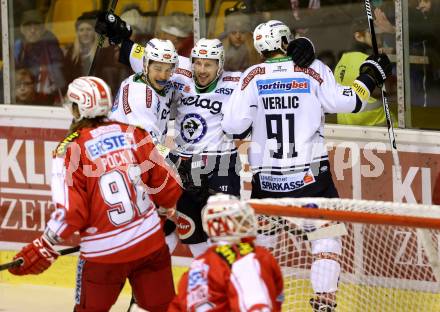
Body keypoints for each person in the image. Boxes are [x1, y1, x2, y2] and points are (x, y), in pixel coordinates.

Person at [95, 13, 317, 258]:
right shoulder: (174, 71)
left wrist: (304, 46)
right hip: (182, 163)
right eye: (197, 63)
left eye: (209, 64)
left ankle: (232, 283)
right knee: (190, 234)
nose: (201, 69)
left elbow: (276, 71)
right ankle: (207, 284)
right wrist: (118, 33)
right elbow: (140, 55)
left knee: (227, 235)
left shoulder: (239, 81)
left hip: (221, 164)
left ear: (220, 65)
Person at [221, 20, 392, 311]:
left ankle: (258, 302)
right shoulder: (312, 69)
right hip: (312, 179)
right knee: (326, 241)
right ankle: (324, 303)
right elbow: (350, 102)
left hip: (267, 183)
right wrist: (371, 75)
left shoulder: (251, 75)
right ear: (287, 41)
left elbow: (232, 124)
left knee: (264, 249)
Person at [8, 76, 182, 312]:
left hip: (104, 256)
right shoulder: (134, 133)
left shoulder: (69, 150)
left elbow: (72, 213)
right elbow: (167, 187)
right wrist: (161, 212)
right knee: (162, 309)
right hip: (150, 245)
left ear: (78, 109)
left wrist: (45, 244)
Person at [168, 194, 284, 311]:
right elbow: (257, 307)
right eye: (240, 218)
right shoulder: (247, 259)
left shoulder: (197, 264)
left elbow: (177, 306)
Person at [334, 17, 394, 126]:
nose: (379, 36)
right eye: (374, 33)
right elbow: (393, 90)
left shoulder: (342, 61)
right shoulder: (370, 62)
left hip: (346, 126)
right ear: (358, 36)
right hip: (376, 125)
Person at [14, 9, 65, 104]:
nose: (33, 30)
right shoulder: (18, 45)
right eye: (28, 26)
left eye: (36, 26)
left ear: (43, 30)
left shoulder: (50, 45)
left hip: (45, 98)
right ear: (22, 29)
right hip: (22, 96)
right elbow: (6, 73)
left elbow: (58, 75)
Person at [63, 11, 99, 85]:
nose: (85, 33)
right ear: (77, 33)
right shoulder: (71, 53)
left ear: (94, 32)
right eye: (81, 30)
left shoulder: (101, 51)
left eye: (88, 29)